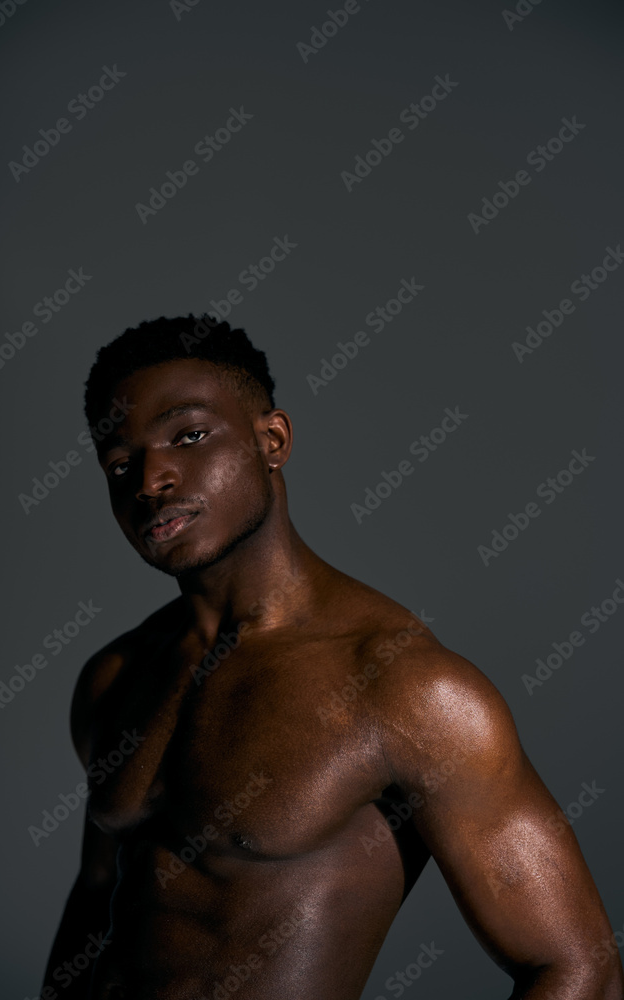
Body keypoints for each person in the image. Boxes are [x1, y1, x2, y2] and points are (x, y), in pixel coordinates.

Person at [41, 314, 623, 1000]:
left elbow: (578, 967)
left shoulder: (404, 687)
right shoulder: (113, 678)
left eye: (189, 435)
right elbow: (95, 907)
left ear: (273, 441)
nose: (150, 478)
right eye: (118, 461)